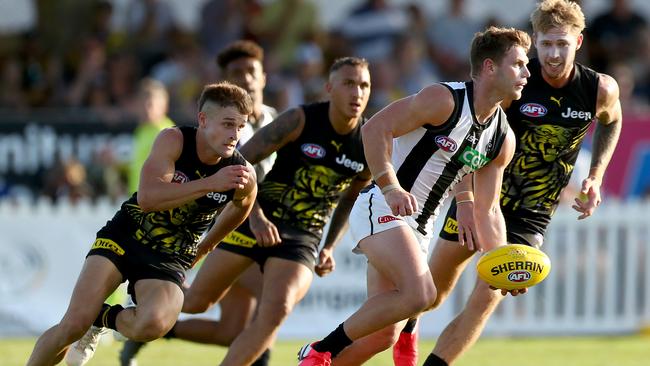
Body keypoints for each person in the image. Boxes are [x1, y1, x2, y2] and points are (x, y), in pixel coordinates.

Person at [297, 25, 531, 366]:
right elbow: (375, 128)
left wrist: (501, 264)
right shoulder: (444, 99)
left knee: (381, 335)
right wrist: (391, 186)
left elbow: (489, 210)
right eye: (519, 64)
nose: (527, 72)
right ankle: (321, 349)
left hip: (419, 227)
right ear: (490, 67)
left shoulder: (502, 138)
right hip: (381, 203)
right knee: (422, 293)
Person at [122, 56, 373, 366]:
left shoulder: (367, 142)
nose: (357, 93)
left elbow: (350, 198)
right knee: (198, 301)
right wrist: (255, 216)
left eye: (364, 85)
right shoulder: (299, 120)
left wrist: (330, 246)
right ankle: (132, 308)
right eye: (349, 84)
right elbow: (240, 164)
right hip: (252, 221)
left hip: (300, 239)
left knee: (273, 313)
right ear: (330, 88)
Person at [417, 1, 623, 365]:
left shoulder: (598, 90)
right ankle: (406, 329)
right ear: (535, 44)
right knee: (430, 293)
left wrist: (596, 176)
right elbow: (468, 138)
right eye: (546, 45)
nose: (554, 54)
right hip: (482, 196)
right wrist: (463, 200)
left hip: (533, 211)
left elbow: (612, 120)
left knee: (488, 295)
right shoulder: (515, 84)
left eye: (562, 44)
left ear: (578, 41)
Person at [26, 81, 257, 366]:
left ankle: (101, 318)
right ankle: (83, 324)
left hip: (169, 257)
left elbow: (243, 207)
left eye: (241, 126)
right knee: (72, 324)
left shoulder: (241, 172)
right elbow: (148, 198)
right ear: (203, 119)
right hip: (125, 235)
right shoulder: (173, 140)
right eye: (228, 124)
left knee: (154, 324)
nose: (235, 134)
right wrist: (210, 183)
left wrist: (206, 246)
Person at [119, 39, 278, 366]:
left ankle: (158, 327)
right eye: (237, 72)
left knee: (228, 327)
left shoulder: (280, 121)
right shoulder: (224, 130)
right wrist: (255, 216)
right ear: (224, 79)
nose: (246, 78)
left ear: (264, 78)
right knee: (275, 300)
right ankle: (146, 315)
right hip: (233, 231)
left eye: (252, 71)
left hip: (269, 232)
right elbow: (237, 183)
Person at [128, 78, 176, 194]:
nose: (146, 109)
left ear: (164, 106)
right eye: (142, 104)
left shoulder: (168, 133)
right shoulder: (141, 130)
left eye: (150, 104)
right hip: (139, 201)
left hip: (156, 203)